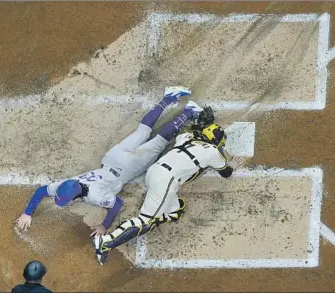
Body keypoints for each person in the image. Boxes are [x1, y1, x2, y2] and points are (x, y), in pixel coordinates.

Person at [15, 86, 204, 237]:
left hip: (127, 168)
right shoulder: (67, 185)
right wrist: (27, 212)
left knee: (158, 142)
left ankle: (188, 112)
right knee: (142, 131)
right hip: (113, 157)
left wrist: (104, 226)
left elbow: (117, 204)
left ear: (74, 196)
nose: (64, 203)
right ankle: (169, 97)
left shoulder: (96, 196)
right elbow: (41, 191)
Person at [94, 106, 245, 265]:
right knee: (146, 222)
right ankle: (105, 242)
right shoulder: (214, 152)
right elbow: (226, 173)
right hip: (166, 181)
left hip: (154, 173)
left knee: (176, 210)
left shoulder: (185, 137)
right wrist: (232, 165)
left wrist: (200, 123)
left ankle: (157, 214)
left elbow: (193, 131)